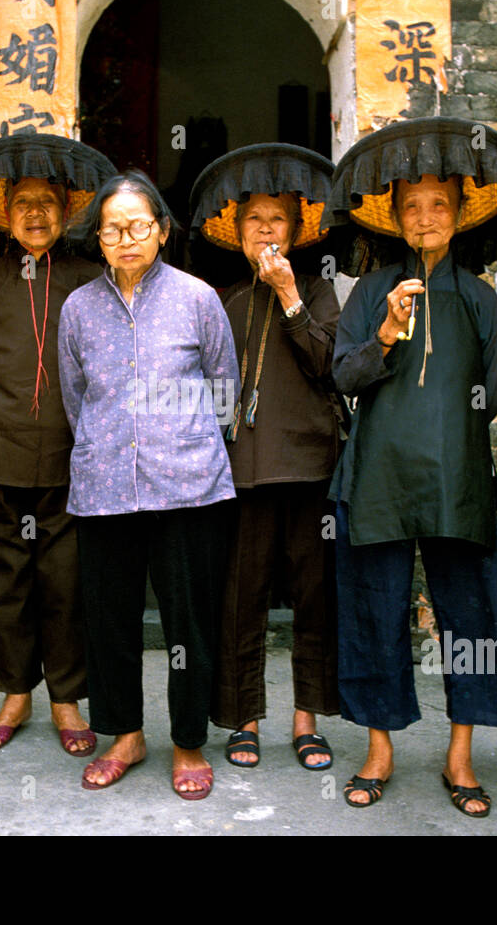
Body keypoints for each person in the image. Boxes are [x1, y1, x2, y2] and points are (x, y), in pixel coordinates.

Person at [324, 118, 497, 816]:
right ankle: (379, 748)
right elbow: (343, 377)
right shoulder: (371, 291)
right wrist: (383, 336)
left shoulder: (479, 296)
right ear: (395, 218)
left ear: (459, 213)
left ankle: (461, 753)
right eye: (412, 206)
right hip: (376, 480)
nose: (425, 216)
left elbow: (494, 391)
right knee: (373, 614)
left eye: (438, 204)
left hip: (457, 481)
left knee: (469, 617)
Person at [58, 170, 239, 800]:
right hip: (106, 483)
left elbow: (225, 390)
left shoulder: (197, 298)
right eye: (113, 229)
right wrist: (112, 442)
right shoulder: (78, 308)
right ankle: (125, 735)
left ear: (161, 230)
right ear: (99, 238)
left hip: (188, 486)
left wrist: (181, 441)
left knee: (189, 622)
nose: (126, 238)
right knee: (109, 619)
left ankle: (187, 741)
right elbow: (74, 397)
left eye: (139, 226)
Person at [0, 135, 114, 758]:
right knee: (1, 584)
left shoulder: (90, 279)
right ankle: (14, 692)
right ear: (7, 214)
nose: (36, 215)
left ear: (67, 211)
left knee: (66, 584)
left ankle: (66, 699)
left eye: (47, 203)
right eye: (24, 204)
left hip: (75, 463)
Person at [188, 145, 342, 770]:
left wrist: (289, 297)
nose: (266, 230)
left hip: (311, 469)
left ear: (297, 231)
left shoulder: (321, 291)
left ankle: (307, 722)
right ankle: (243, 719)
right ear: (240, 234)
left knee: (314, 597)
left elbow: (331, 366)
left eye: (277, 219)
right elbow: (209, 390)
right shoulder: (225, 303)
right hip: (243, 472)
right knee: (240, 598)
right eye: (254, 220)